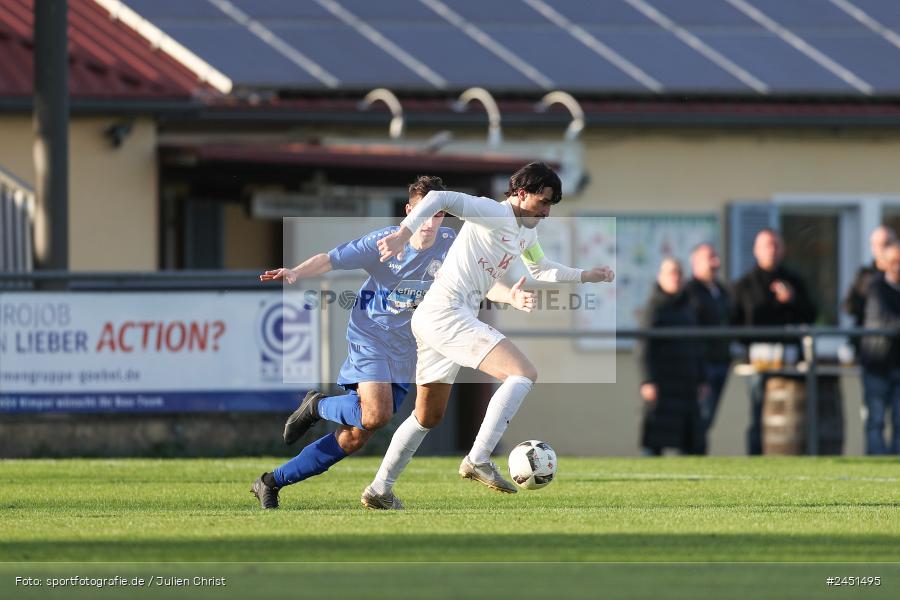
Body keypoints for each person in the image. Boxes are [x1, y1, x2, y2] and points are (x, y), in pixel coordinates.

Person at [249, 175, 532, 509]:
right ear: (410, 211)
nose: (430, 222)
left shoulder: (450, 243)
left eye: (438, 214)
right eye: (424, 213)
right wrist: (296, 272)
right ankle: (318, 406)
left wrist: (510, 296)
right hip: (372, 336)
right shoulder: (384, 241)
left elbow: (478, 282)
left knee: (356, 436)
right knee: (377, 415)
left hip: (410, 346)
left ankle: (271, 481)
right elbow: (332, 258)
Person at [359, 162, 614, 509]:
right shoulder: (492, 211)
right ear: (521, 193)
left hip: (437, 318)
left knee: (427, 417)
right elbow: (438, 198)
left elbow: (541, 268)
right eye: (543, 202)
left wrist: (586, 275)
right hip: (447, 313)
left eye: (551, 205)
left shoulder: (527, 234)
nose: (546, 212)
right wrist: (404, 234)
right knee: (523, 373)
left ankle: (379, 490)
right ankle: (478, 458)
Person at [731, 228, 816, 455]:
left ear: (783, 249)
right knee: (759, 412)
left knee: (790, 411)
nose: (772, 250)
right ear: (756, 251)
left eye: (776, 245)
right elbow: (735, 323)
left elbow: (811, 315)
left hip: (789, 358)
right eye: (767, 245)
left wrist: (792, 300)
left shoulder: (794, 281)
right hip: (758, 360)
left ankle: (792, 455)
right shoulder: (745, 285)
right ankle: (757, 457)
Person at [639, 258, 707, 456]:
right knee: (655, 442)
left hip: (687, 384)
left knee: (691, 441)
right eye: (671, 273)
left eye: (679, 273)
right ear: (660, 277)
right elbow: (644, 348)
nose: (675, 277)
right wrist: (648, 381)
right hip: (662, 385)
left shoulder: (689, 306)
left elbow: (697, 346)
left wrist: (702, 379)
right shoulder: (653, 308)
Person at [683, 243, 731, 451]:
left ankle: (697, 455)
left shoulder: (721, 291)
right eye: (710, 258)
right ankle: (691, 457)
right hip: (701, 365)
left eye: (716, 257)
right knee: (699, 417)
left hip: (721, 361)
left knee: (708, 419)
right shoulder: (689, 292)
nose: (716, 263)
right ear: (695, 262)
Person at [859, 241, 900, 454]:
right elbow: (885, 320)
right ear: (883, 263)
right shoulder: (875, 288)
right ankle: (877, 462)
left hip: (898, 363)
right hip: (877, 363)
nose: (898, 266)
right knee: (876, 420)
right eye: (893, 261)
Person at [844, 226, 896, 346]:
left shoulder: (896, 277)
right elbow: (849, 306)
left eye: (887, 244)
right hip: (870, 343)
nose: (882, 249)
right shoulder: (865, 276)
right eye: (878, 245)